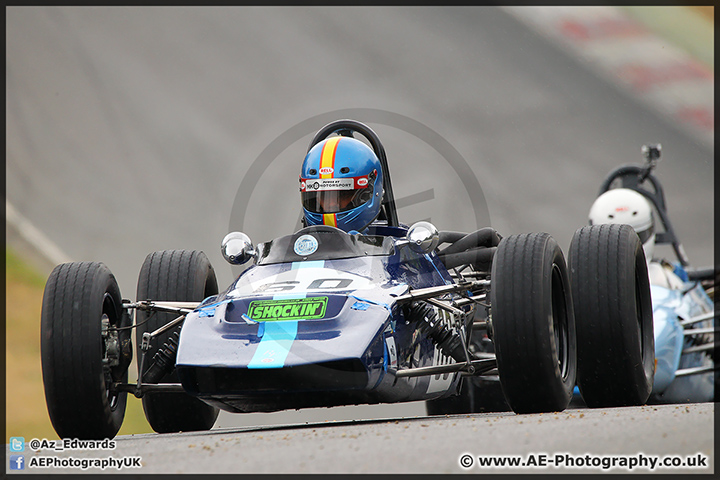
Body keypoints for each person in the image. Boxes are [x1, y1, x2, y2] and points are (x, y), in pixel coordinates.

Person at [588, 188, 683, 289]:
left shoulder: (671, 274)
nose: (625, 248)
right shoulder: (585, 283)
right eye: (614, 242)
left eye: (636, 238)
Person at [299, 136, 384, 233]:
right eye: (322, 195)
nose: (331, 204)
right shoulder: (299, 245)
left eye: (343, 195)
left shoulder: (394, 244)